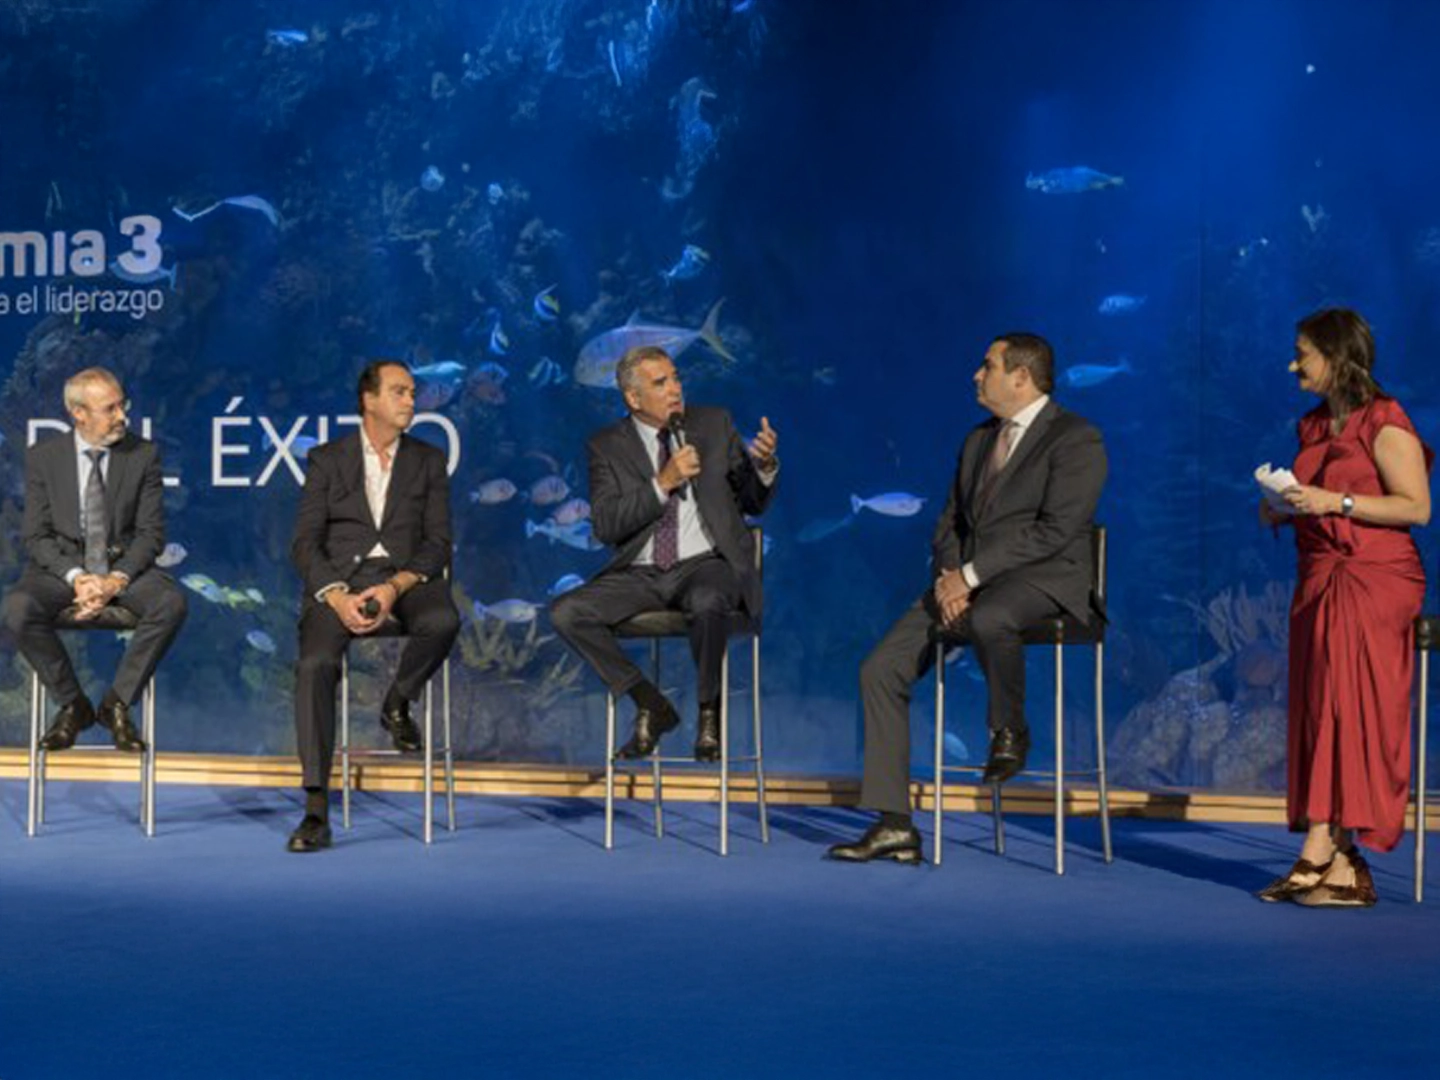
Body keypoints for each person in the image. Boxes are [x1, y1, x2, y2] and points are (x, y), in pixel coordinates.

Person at [828, 333, 1107, 863]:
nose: (976, 376)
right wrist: (949, 575)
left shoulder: (1076, 438)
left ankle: (1010, 730)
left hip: (1043, 580)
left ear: (1021, 377)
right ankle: (893, 823)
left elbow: (1055, 531)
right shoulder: (978, 440)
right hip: (969, 583)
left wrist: (971, 577)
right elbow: (949, 521)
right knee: (879, 668)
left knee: (994, 616)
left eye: (988, 366)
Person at [1256, 308, 1430, 907]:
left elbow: (1415, 508)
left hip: (1374, 577)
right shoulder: (1311, 426)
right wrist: (1287, 506)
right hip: (1319, 574)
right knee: (1316, 704)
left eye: (1303, 352)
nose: (1294, 364)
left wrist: (1338, 499)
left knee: (1348, 706)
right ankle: (1340, 859)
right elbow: (1322, 499)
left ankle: (1322, 848)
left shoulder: (1386, 420)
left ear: (1335, 356)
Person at [550, 345, 778, 762]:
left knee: (709, 599)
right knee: (566, 612)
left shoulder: (713, 423)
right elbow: (606, 526)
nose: (675, 389)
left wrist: (762, 467)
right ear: (633, 398)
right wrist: (662, 482)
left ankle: (709, 712)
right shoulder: (605, 446)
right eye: (661, 383)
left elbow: (751, 502)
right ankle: (650, 704)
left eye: (675, 378)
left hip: (705, 564)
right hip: (640, 572)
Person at [287, 360, 460, 853]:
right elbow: (304, 544)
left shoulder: (428, 460)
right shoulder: (326, 459)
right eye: (400, 392)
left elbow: (439, 543)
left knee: (443, 620)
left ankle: (397, 701)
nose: (411, 400)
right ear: (369, 400)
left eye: (412, 392)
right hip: (341, 582)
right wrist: (337, 594)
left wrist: (396, 587)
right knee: (315, 664)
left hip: (407, 580)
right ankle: (316, 809)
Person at [1, 368, 186, 755]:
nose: (122, 416)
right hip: (62, 570)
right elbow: (36, 536)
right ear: (78, 413)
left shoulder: (142, 454)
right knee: (17, 609)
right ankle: (73, 705)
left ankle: (116, 704)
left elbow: (151, 535)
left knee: (171, 603)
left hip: (124, 568)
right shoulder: (44, 458)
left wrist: (114, 581)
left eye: (123, 405)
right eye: (111, 408)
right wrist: (78, 579)